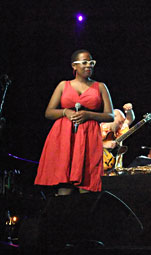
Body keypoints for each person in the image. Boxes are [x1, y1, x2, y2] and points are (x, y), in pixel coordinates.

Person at [35, 49, 114, 195]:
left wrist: (88, 114)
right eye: (84, 62)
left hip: (88, 137)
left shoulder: (100, 86)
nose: (89, 66)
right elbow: (49, 112)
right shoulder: (63, 85)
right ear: (74, 66)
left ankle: (84, 217)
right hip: (64, 136)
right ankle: (63, 216)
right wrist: (65, 112)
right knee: (64, 185)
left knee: (86, 184)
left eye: (91, 62)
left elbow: (110, 115)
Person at [101, 103, 135, 169]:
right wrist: (104, 144)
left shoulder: (119, 129)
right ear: (112, 118)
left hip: (116, 168)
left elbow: (130, 119)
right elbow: (88, 144)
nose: (121, 125)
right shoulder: (99, 128)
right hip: (101, 167)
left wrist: (129, 111)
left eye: (122, 122)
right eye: (120, 122)